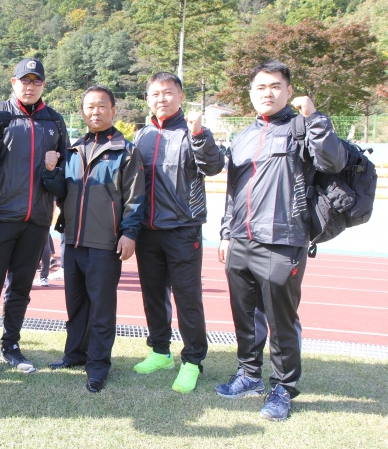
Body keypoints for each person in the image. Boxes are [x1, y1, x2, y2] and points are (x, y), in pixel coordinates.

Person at [216, 60, 346, 421]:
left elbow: (332, 162)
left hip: (283, 239)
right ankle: (248, 375)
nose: (268, 93)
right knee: (245, 316)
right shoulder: (243, 136)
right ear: (251, 93)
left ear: (289, 91)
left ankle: (283, 389)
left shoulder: (303, 128)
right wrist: (226, 232)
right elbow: (233, 191)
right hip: (241, 239)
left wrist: (315, 118)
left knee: (281, 320)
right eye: (260, 87)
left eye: (275, 86)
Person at [0, 58, 68, 380]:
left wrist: (52, 172)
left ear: (43, 85)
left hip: (37, 218)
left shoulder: (54, 120)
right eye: (25, 80)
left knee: (21, 288)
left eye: (36, 81)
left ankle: (10, 345)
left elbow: (64, 172)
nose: (30, 86)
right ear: (14, 82)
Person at [46, 85, 145, 392]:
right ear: (82, 111)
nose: (96, 112)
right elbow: (62, 191)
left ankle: (98, 365)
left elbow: (135, 197)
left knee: (101, 309)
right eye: (89, 107)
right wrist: (50, 171)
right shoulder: (74, 150)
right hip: (73, 241)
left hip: (105, 244)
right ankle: (75, 354)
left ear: (113, 110)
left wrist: (129, 233)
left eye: (102, 106)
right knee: (76, 306)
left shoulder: (126, 151)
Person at [132, 72, 224, 393]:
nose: (162, 99)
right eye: (155, 94)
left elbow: (213, 166)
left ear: (181, 97)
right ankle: (160, 351)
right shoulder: (141, 136)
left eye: (168, 92)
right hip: (147, 231)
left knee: (187, 298)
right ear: (148, 99)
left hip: (183, 230)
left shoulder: (192, 132)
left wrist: (199, 134)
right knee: (153, 295)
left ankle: (192, 360)